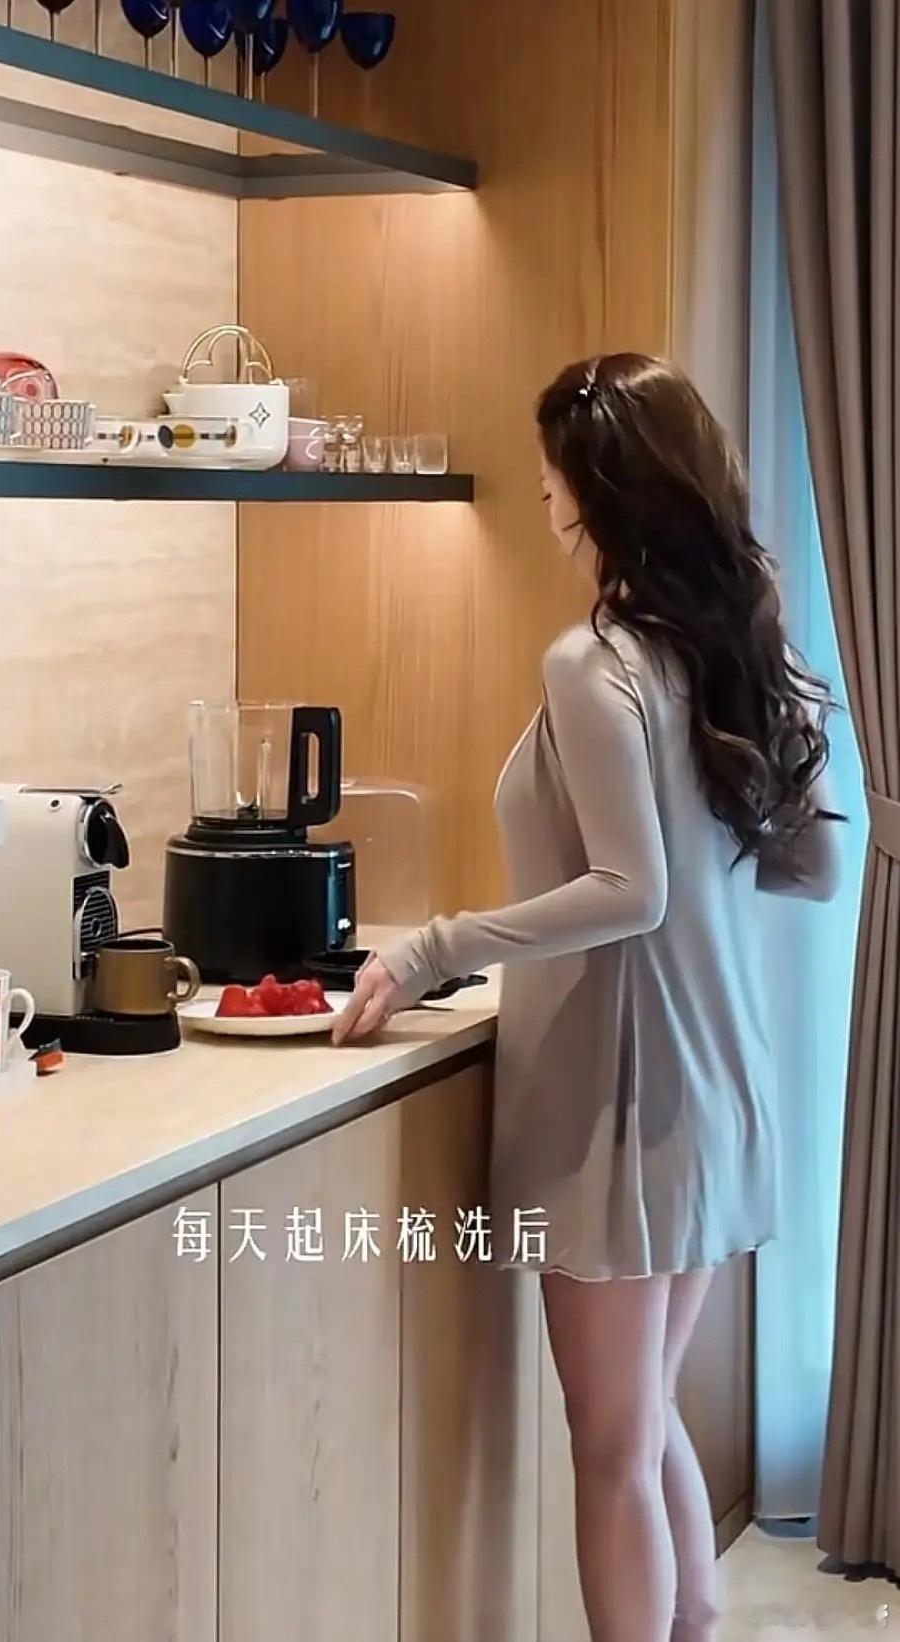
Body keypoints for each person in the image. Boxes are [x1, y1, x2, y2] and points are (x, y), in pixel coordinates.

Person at [332, 352, 844, 1642]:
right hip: (714, 1084)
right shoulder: (729, 650)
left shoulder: (595, 659)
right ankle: (697, 1624)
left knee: (608, 1442)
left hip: (622, 1101)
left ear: (595, 491)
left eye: (555, 470)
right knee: (642, 1415)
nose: (546, 494)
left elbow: (631, 889)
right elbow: (813, 866)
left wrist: (431, 947)